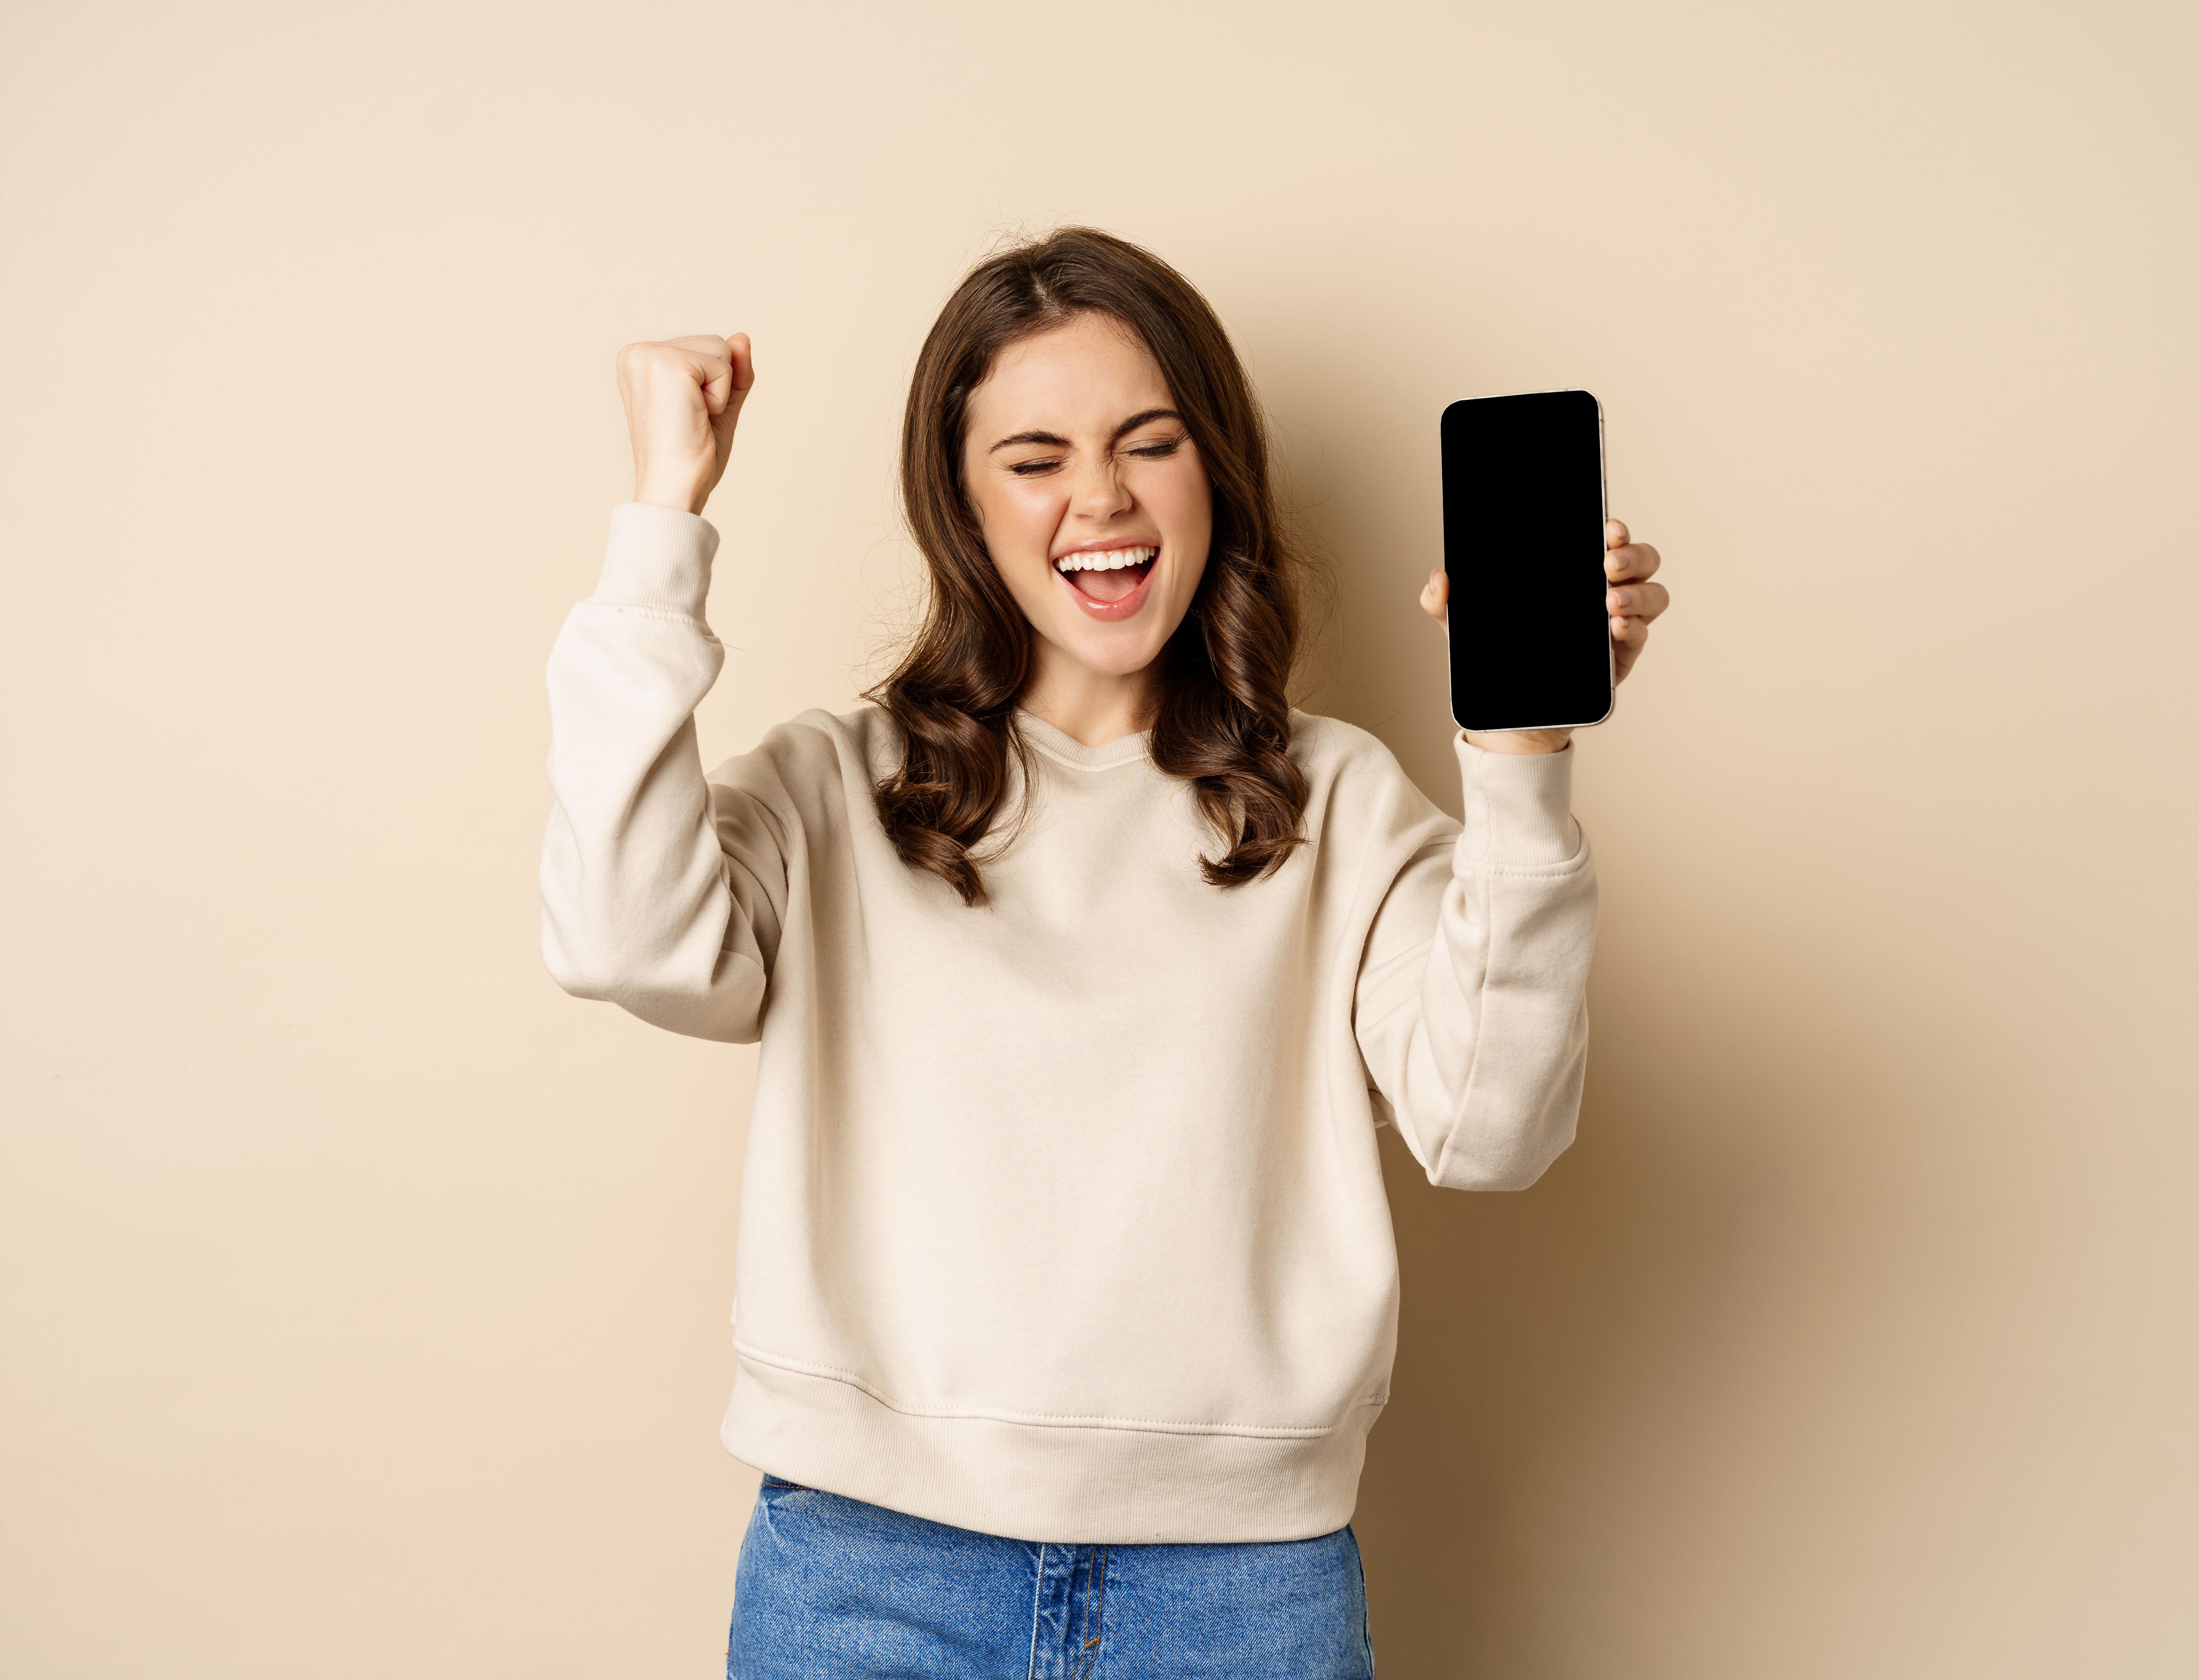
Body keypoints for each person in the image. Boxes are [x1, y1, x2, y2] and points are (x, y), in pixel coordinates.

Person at [537, 227, 1670, 1677]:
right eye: (1032, 458)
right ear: (959, 499)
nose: (1100, 500)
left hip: (1240, 1600)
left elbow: (1491, 1128)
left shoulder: (1335, 803)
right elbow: (622, 939)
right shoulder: (836, 788)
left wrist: (1519, 755)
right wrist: (659, 525)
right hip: (868, 1574)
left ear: (1217, 474)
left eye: (1151, 442)